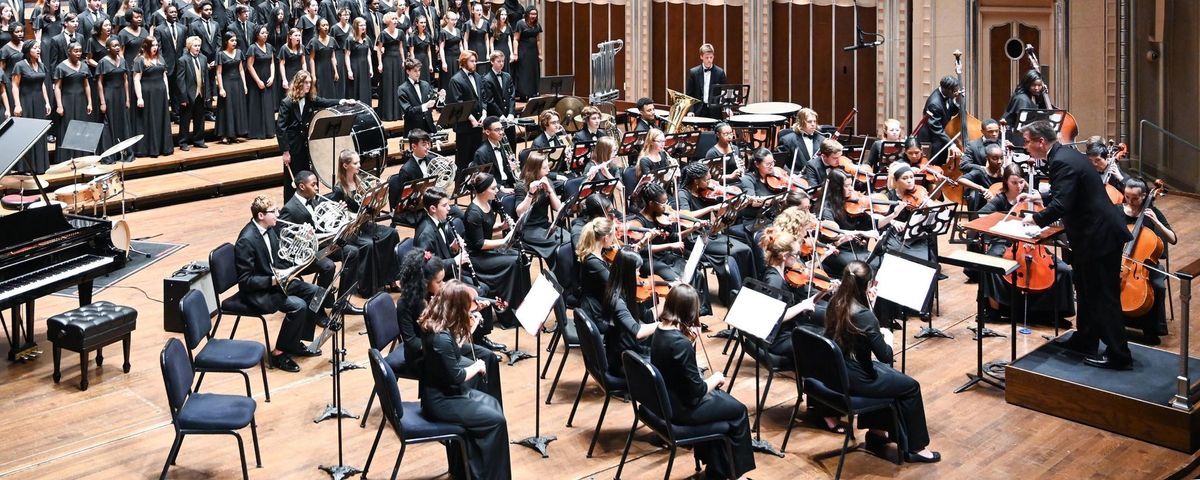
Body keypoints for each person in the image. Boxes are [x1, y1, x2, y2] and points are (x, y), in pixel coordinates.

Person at [1018, 120, 1133, 369]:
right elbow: (1071, 190)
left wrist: (1035, 219)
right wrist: (1042, 195)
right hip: (1091, 236)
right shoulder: (1064, 153)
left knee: (1103, 296)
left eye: (1027, 141)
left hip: (1099, 237)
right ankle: (1086, 339)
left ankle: (1119, 355)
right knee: (1085, 289)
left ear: (1041, 141)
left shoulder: (1060, 160)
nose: (1025, 147)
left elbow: (1063, 205)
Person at [823, 260, 940, 463]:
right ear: (866, 285)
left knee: (887, 375)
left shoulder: (836, 301)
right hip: (858, 379)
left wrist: (870, 308)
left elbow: (857, 333)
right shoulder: (864, 315)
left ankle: (877, 432)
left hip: (839, 371)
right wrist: (885, 333)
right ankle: (916, 448)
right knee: (910, 386)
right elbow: (885, 355)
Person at [651, 284, 756, 479]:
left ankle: (717, 468)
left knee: (723, 406)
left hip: (667, 400)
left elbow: (678, 369)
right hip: (682, 410)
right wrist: (715, 378)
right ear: (688, 310)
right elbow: (697, 390)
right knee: (739, 411)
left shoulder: (660, 330)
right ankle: (736, 474)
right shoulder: (680, 343)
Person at [417, 280, 511, 480]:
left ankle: (472, 471)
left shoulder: (438, 321)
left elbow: (453, 355)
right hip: (441, 400)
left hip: (445, 391)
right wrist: (476, 366)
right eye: (468, 307)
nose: (472, 309)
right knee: (496, 420)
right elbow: (457, 376)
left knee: (493, 405)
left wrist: (472, 325)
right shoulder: (440, 338)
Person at [234, 194, 326, 373]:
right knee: (298, 306)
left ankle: (296, 341)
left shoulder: (270, 229)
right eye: (273, 211)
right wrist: (273, 280)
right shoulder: (246, 240)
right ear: (261, 216)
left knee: (317, 292)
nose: (278, 214)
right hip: (259, 291)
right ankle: (279, 353)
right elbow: (245, 282)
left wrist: (302, 239)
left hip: (277, 282)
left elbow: (281, 257)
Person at [978, 164, 1075, 328]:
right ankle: (996, 310)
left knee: (1064, 270)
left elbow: (1051, 219)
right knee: (991, 263)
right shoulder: (1000, 199)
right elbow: (982, 214)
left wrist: (1041, 204)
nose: (1018, 186)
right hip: (1005, 241)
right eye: (1014, 183)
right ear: (1006, 182)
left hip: (1033, 242)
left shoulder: (1033, 199)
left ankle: (1052, 313)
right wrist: (1004, 220)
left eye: (1021, 182)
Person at [414, 187, 506, 352]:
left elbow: (440, 252)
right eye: (445, 205)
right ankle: (474, 341)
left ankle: (480, 335)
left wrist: (454, 248)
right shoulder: (425, 233)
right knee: (477, 291)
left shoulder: (441, 222)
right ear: (433, 209)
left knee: (483, 288)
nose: (450, 208)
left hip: (449, 274)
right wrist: (454, 260)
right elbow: (427, 267)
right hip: (439, 282)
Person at [280, 170, 363, 314]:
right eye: (313, 185)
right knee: (328, 266)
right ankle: (316, 310)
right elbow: (284, 238)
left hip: (322, 248)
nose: (317, 188)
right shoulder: (289, 209)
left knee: (352, 252)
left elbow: (322, 223)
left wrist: (337, 211)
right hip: (306, 254)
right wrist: (303, 236)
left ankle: (342, 303)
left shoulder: (315, 199)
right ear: (301, 187)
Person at [328, 150, 402, 296]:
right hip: (352, 230)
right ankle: (367, 287)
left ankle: (391, 279)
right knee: (368, 244)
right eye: (355, 163)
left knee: (392, 233)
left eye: (358, 162)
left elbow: (370, 206)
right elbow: (336, 216)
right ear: (345, 166)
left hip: (365, 224)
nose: (359, 165)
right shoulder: (338, 189)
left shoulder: (360, 180)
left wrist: (378, 192)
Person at [462, 172, 531, 327]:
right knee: (513, 261)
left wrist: (502, 226)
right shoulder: (472, 213)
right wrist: (504, 241)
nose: (496, 191)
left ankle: (523, 306)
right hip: (477, 257)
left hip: (486, 252)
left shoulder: (489, 202)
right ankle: (509, 314)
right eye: (493, 188)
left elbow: (486, 228)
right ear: (483, 190)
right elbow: (480, 243)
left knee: (520, 256)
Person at [275, 69, 355, 200]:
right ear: (299, 83)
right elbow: (281, 129)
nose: (308, 85)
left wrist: (342, 101)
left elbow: (325, 102)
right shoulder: (287, 102)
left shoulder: (309, 99)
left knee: (309, 175)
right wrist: (285, 152)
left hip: (306, 145)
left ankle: (310, 201)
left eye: (309, 83)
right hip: (293, 146)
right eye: (306, 82)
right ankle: (290, 207)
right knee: (292, 179)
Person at [1118, 177, 1176, 345]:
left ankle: (1151, 330)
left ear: (1144, 196)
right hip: (1120, 261)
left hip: (1145, 264)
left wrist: (1156, 222)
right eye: (1127, 197)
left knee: (1157, 287)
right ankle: (1113, 322)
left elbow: (1173, 239)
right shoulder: (1117, 210)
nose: (1130, 201)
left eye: (1134, 198)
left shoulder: (1153, 213)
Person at [602, 249, 658, 374]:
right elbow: (637, 331)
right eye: (636, 270)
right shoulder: (617, 301)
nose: (639, 274)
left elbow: (646, 316)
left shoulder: (621, 290)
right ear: (627, 272)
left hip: (628, 350)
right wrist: (663, 325)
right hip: (622, 360)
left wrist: (669, 302)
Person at [513, 151, 567, 261]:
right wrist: (530, 194)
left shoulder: (547, 181)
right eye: (544, 168)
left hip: (544, 225)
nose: (549, 170)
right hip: (528, 229)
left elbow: (558, 208)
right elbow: (519, 213)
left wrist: (550, 190)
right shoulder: (521, 185)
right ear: (535, 169)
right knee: (559, 245)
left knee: (569, 240)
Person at [12, 41, 52, 174]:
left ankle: (40, 165)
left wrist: (46, 102)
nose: (38, 50)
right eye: (35, 48)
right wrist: (17, 105)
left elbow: (42, 85)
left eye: (39, 48)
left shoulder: (41, 65)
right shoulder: (20, 65)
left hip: (39, 102)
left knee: (39, 132)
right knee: (27, 134)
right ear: (28, 50)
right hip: (26, 101)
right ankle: (25, 167)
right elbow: (15, 86)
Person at [53, 42, 92, 162]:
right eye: (76, 51)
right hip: (67, 101)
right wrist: (59, 105)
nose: (79, 53)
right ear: (69, 52)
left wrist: (89, 102)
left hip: (81, 100)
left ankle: (81, 156)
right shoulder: (61, 67)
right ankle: (66, 158)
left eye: (80, 51)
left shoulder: (84, 66)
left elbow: (86, 85)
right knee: (67, 127)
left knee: (81, 127)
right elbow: (57, 87)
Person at [448, 49, 484, 172]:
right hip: (465, 125)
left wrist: (484, 113)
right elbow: (458, 103)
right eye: (472, 61)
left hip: (478, 124)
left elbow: (482, 98)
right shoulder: (456, 80)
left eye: (475, 61)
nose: (475, 63)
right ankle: (459, 187)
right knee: (463, 159)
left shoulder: (478, 77)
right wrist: (472, 119)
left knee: (476, 157)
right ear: (464, 62)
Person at [917, 75, 962, 166]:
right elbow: (936, 128)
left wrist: (957, 100)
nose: (957, 93)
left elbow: (951, 112)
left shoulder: (947, 95)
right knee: (933, 167)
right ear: (947, 89)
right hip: (932, 140)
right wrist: (952, 145)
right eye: (955, 91)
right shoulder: (934, 103)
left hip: (940, 139)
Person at [214, 31, 248, 144]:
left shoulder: (239, 52)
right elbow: (219, 73)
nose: (234, 42)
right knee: (226, 109)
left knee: (236, 108)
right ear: (226, 42)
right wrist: (221, 88)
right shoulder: (221, 54)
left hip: (238, 83)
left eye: (235, 40)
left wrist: (244, 85)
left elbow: (241, 69)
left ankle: (234, 134)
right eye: (231, 40)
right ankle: (224, 134)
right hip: (227, 83)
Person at [175, 35, 208, 150]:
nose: (197, 48)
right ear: (189, 47)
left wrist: (207, 94)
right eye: (195, 46)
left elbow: (206, 78)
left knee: (200, 118)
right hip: (188, 95)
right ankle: (183, 142)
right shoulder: (183, 60)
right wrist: (183, 98)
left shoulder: (203, 58)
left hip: (200, 93)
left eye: (199, 45)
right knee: (185, 120)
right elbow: (180, 81)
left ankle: (199, 140)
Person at [1002, 69, 1049, 147]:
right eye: (1034, 85)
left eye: (1039, 85)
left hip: (1018, 136)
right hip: (1015, 137)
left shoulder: (1030, 96)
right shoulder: (1022, 99)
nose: (1037, 88)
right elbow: (1024, 123)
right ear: (1027, 84)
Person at [244, 25, 276, 139]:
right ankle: (257, 132)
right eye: (263, 33)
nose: (265, 35)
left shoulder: (269, 47)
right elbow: (249, 65)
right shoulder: (252, 48)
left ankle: (269, 131)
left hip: (268, 79)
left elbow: (272, 63)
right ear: (257, 35)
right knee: (256, 105)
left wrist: (272, 76)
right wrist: (258, 81)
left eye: (266, 33)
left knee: (267, 104)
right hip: (255, 80)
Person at [470, 116, 518, 190]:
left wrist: (510, 167)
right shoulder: (481, 153)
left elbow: (504, 170)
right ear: (487, 132)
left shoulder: (504, 146)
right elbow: (484, 179)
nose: (501, 132)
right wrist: (501, 188)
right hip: (494, 188)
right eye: (497, 130)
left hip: (508, 183)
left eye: (502, 129)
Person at [375, 11, 404, 121]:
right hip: (387, 60)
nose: (396, 21)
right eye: (393, 19)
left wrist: (403, 60)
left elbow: (401, 47)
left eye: (396, 19)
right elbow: (378, 49)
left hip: (397, 60)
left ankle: (399, 113)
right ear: (388, 21)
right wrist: (380, 63)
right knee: (388, 85)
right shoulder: (383, 33)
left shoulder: (400, 32)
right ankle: (388, 114)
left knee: (398, 84)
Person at [684, 43, 725, 119]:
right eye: (707, 58)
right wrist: (690, 110)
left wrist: (727, 108)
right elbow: (689, 94)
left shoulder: (720, 72)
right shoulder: (693, 72)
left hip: (715, 111)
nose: (709, 60)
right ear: (701, 57)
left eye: (711, 57)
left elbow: (724, 92)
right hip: (699, 110)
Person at [397, 57, 437, 134]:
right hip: (413, 129)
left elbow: (432, 100)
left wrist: (440, 97)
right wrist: (424, 106)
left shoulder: (425, 84)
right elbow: (408, 111)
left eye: (419, 70)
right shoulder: (402, 89)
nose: (418, 73)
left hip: (429, 126)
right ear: (408, 71)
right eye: (415, 71)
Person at [307, 17, 343, 99]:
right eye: (323, 25)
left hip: (329, 68)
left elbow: (333, 57)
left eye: (327, 25)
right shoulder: (314, 41)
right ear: (319, 27)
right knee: (321, 89)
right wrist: (313, 74)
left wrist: (336, 71)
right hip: (319, 68)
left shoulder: (332, 40)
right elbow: (311, 59)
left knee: (331, 88)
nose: (326, 27)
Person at [512, 6, 539, 99]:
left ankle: (533, 92)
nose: (533, 16)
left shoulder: (537, 25)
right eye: (531, 14)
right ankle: (524, 94)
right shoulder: (520, 24)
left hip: (533, 52)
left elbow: (538, 40)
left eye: (535, 14)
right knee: (524, 72)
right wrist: (515, 53)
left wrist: (540, 53)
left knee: (533, 71)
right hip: (523, 51)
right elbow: (515, 39)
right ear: (527, 14)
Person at [343, 17, 372, 104]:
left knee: (365, 88)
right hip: (355, 66)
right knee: (354, 88)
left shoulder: (367, 39)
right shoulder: (350, 40)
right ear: (356, 26)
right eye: (361, 25)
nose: (363, 27)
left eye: (364, 25)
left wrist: (370, 68)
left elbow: (368, 54)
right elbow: (347, 56)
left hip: (365, 66)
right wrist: (349, 71)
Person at [437, 9, 462, 90]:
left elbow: (460, 46)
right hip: (448, 59)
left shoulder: (458, 30)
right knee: (448, 79)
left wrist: (463, 58)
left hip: (457, 58)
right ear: (447, 20)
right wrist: (443, 62)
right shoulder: (443, 32)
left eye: (455, 19)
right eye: (452, 20)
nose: (454, 22)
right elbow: (441, 48)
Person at [407, 14, 434, 82]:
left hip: (425, 60)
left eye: (425, 22)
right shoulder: (412, 36)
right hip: (417, 59)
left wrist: (430, 64)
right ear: (417, 23)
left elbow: (429, 51)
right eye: (421, 22)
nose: (423, 24)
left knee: (426, 78)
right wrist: (414, 65)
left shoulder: (428, 35)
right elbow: (411, 52)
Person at [490, 6, 513, 74]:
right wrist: (492, 53)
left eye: (505, 15)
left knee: (506, 71)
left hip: (506, 51)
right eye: (502, 14)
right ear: (498, 15)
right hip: (497, 51)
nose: (504, 16)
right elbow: (491, 42)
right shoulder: (494, 27)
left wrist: (511, 53)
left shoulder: (508, 26)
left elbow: (509, 41)